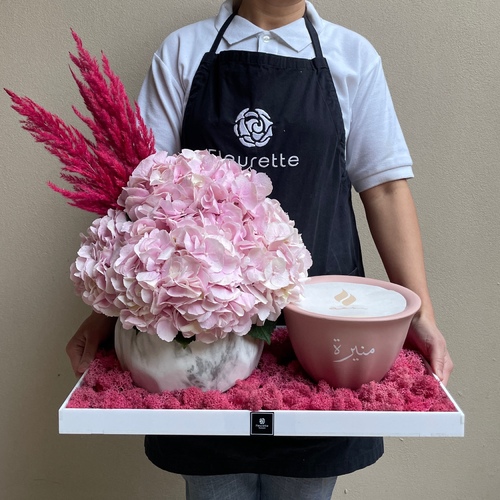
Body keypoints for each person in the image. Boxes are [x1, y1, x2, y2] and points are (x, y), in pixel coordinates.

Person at [66, 1, 453, 498]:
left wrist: (420, 314)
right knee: (213, 485)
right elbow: (141, 194)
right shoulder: (184, 52)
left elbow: (385, 190)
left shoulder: (351, 57)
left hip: (319, 338)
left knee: (304, 484)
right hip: (201, 339)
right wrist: (106, 313)